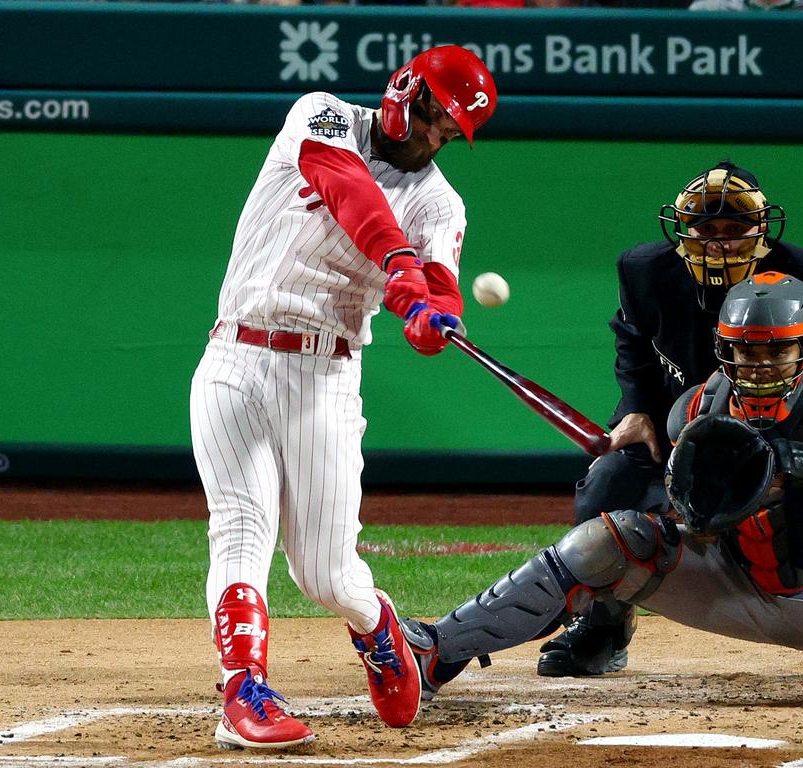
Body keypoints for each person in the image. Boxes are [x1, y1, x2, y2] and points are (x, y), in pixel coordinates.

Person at [400, 273, 803, 708]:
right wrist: (693, 513)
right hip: (733, 580)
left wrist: (798, 461)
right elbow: (689, 504)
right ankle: (437, 649)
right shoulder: (697, 409)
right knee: (604, 542)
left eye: (775, 351)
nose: (759, 365)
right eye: (746, 350)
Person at [535, 161, 803, 679]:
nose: (719, 243)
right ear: (682, 231)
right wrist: (636, 409)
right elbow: (633, 345)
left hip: (792, 449)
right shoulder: (645, 271)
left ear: (762, 231)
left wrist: (786, 463)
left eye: (734, 230)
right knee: (608, 483)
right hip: (686, 439)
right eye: (706, 230)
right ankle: (604, 626)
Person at [188, 46, 497, 749]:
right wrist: (397, 268)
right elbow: (345, 187)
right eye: (432, 116)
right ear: (405, 87)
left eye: (448, 133)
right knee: (240, 526)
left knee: (324, 574)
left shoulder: (440, 201)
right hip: (234, 354)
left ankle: (378, 627)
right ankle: (244, 691)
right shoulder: (321, 115)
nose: (431, 137)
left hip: (324, 377)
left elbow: (441, 282)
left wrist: (431, 316)